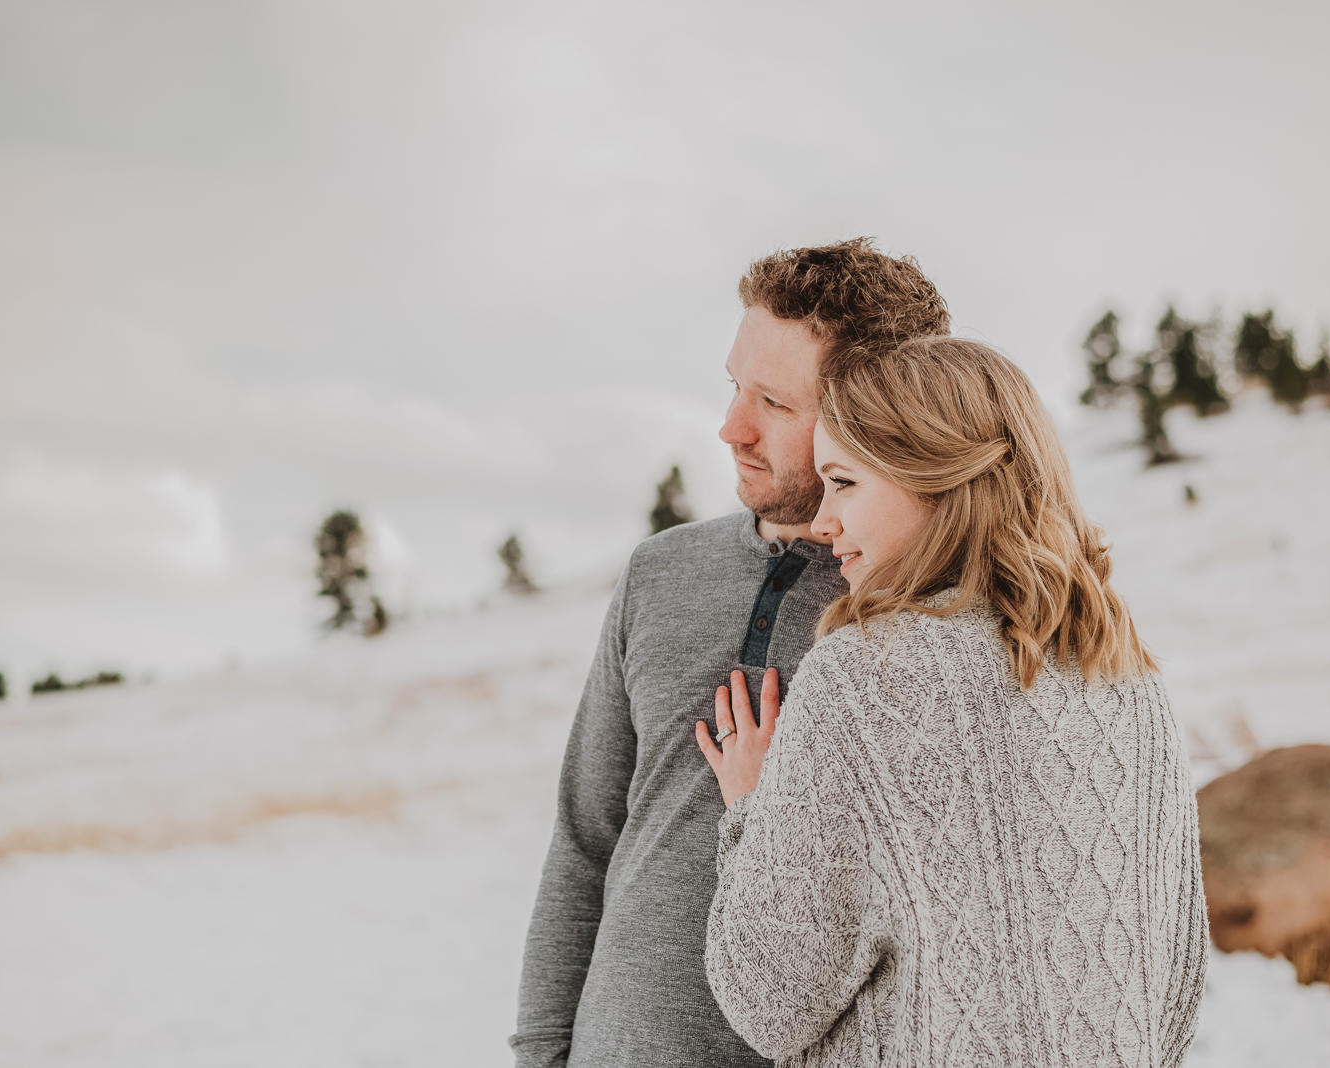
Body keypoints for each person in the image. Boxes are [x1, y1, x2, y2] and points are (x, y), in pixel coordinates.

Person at [697, 337, 1209, 1067]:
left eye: (843, 483)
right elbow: (1174, 997)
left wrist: (752, 805)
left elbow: (768, 1001)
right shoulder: (1133, 681)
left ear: (935, 477)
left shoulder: (860, 677)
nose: (822, 522)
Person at [511, 239, 951, 1067]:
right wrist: (543, 1051)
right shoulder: (660, 572)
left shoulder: (926, 610)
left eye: (776, 405)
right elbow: (584, 836)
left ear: (878, 410)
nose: (731, 428)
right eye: (734, 387)